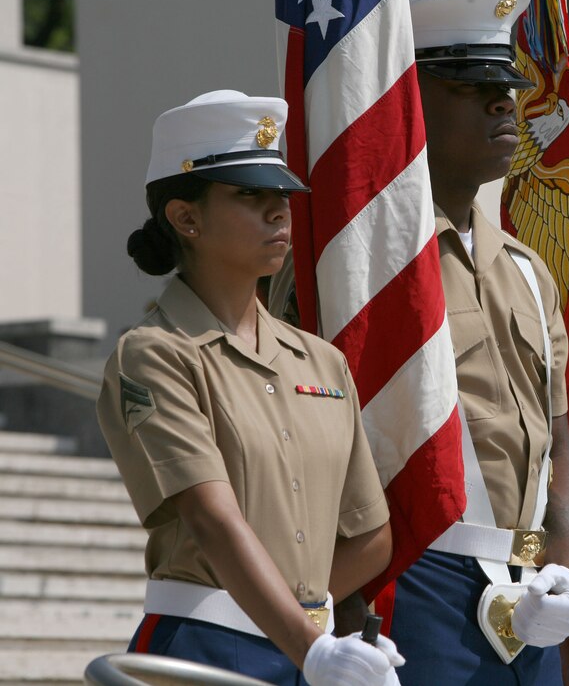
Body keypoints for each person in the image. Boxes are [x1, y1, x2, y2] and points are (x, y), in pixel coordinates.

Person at [97, 90, 403, 686]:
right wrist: (305, 640)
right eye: (249, 195)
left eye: (282, 196)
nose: (278, 212)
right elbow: (211, 520)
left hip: (308, 649)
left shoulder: (322, 362)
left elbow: (370, 535)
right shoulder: (155, 353)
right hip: (204, 648)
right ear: (186, 217)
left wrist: (303, 631)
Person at [381, 0, 569, 686]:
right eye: (472, 86)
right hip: (419, 578)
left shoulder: (530, 272)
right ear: (410, 101)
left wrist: (565, 572)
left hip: (529, 591)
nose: (506, 103)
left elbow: (559, 443)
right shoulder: (371, 267)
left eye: (506, 86)